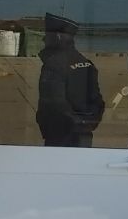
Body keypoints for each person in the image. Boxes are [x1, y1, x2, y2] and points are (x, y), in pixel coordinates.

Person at [36, 13, 105, 147]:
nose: (44, 41)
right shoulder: (86, 63)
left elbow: (55, 103)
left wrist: (75, 123)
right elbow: (97, 101)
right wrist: (88, 123)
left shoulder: (54, 65)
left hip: (60, 134)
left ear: (58, 37)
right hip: (83, 134)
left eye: (47, 36)